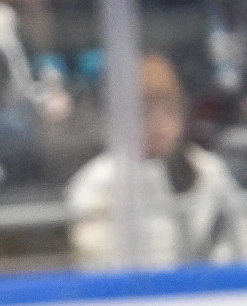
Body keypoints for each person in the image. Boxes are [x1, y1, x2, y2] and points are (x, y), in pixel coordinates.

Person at [67, 53, 247, 269]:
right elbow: (94, 261)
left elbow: (238, 240)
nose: (159, 123)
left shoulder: (208, 170)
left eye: (169, 111)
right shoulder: (99, 181)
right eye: (145, 112)